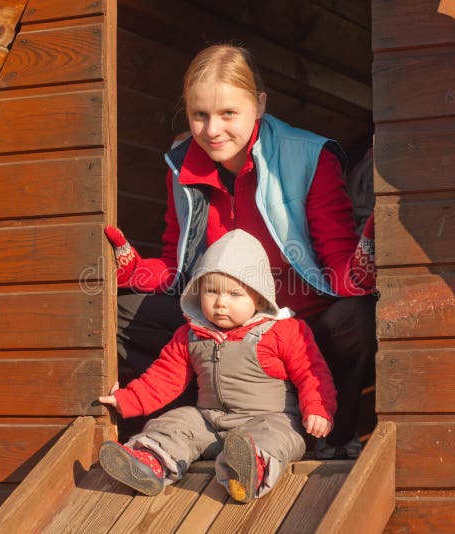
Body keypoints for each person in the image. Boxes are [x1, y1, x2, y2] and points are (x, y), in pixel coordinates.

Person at [106, 44, 376, 458]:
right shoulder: (182, 168)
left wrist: (359, 270)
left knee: (353, 317)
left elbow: (336, 262)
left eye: (228, 113)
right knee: (125, 312)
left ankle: (334, 436)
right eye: (200, 115)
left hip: (298, 324)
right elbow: (174, 263)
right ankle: (186, 427)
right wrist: (131, 269)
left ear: (260, 104)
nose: (212, 130)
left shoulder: (310, 156)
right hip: (220, 320)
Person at [98, 230, 336, 502]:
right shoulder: (191, 335)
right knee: (178, 420)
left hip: (270, 418)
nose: (221, 303)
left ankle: (248, 470)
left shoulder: (282, 331)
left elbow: (312, 372)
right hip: (211, 421)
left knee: (277, 435)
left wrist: (318, 408)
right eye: (211, 291)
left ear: (259, 298)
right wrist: (127, 399)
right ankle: (150, 462)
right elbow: (164, 377)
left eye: (235, 294)